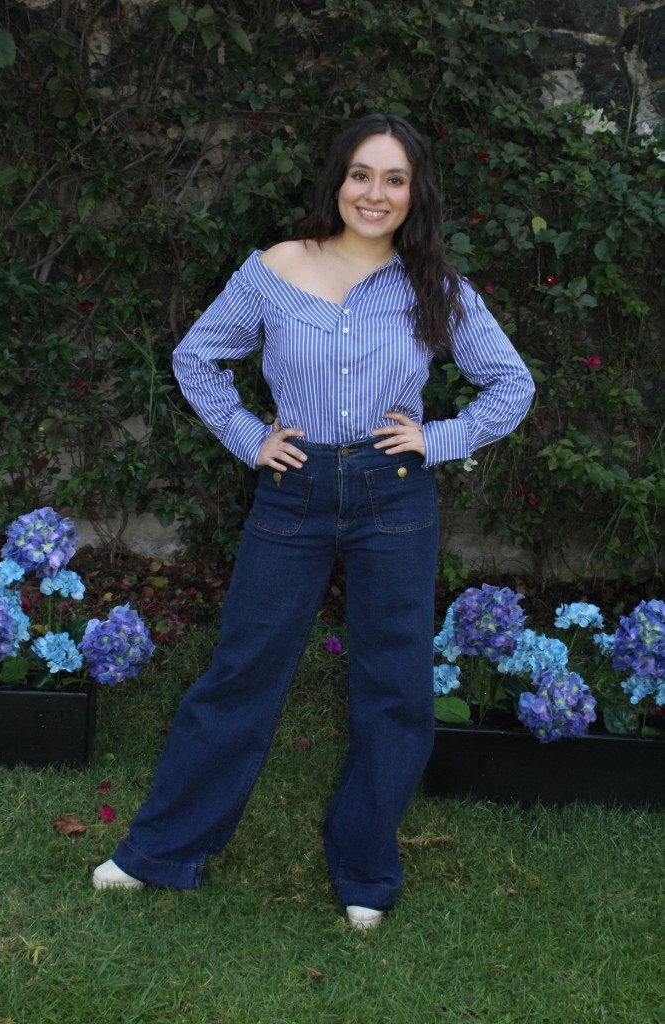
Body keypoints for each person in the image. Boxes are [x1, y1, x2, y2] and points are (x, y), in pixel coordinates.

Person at [93, 113, 535, 929]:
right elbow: (197, 357)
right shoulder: (275, 268)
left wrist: (436, 439)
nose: (375, 193)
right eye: (362, 174)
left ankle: (365, 869)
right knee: (241, 672)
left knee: (393, 685)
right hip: (291, 491)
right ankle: (160, 851)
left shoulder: (433, 285)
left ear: (414, 193)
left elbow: (511, 384)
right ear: (338, 179)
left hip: (392, 495)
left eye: (394, 179)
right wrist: (248, 438)